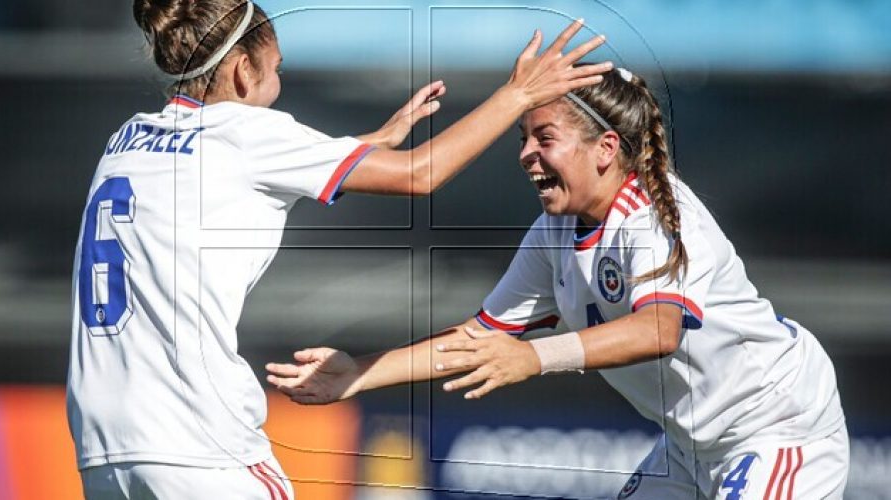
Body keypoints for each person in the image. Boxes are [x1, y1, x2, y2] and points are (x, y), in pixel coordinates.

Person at [66, 0, 613, 497]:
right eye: (276, 70)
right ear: (242, 70)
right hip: (196, 441)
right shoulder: (251, 133)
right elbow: (421, 175)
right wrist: (516, 94)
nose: (277, 80)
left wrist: (368, 144)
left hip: (102, 444)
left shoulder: (128, 138)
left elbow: (230, 178)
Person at [266, 66, 849, 499]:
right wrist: (357, 374)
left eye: (544, 138)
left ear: (605, 149)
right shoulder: (554, 232)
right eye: (523, 138)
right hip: (689, 448)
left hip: (777, 427)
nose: (525, 154)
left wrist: (534, 358)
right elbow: (480, 338)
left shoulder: (651, 214)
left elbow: (658, 328)